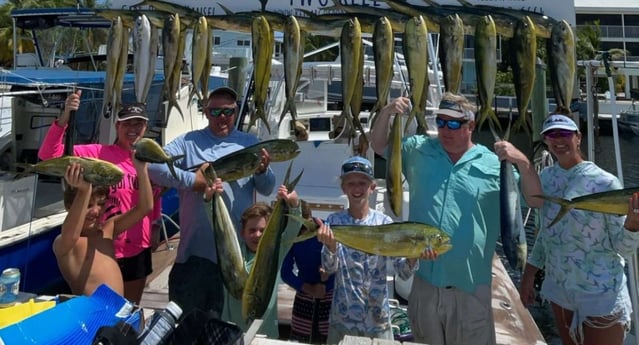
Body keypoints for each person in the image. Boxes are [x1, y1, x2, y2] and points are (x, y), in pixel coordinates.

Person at [369, 92, 543, 345]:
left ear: (470, 126)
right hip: (425, 284)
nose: (445, 130)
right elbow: (379, 145)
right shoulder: (418, 149)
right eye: (440, 122)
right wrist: (387, 112)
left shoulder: (493, 164)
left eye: (453, 124)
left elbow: (536, 200)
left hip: (470, 288)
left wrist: (523, 162)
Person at [147, 86, 276, 318]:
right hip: (193, 256)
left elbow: (267, 188)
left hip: (237, 257)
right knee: (185, 328)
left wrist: (263, 171)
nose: (222, 118)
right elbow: (153, 167)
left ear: (236, 112)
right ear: (206, 113)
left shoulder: (250, 144)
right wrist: (192, 180)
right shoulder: (188, 142)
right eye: (215, 112)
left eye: (228, 111)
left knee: (227, 328)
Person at [519, 114, 639, 345]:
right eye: (551, 134)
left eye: (564, 133)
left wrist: (633, 225)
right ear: (545, 140)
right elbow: (546, 234)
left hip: (599, 294)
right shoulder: (546, 178)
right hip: (559, 290)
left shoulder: (606, 182)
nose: (558, 139)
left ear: (578, 137)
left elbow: (623, 249)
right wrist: (528, 275)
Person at [39, 91, 162, 305]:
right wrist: (64, 117)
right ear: (117, 126)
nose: (133, 129)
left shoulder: (149, 159)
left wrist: (155, 224)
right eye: (127, 124)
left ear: (145, 128)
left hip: (136, 247)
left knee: (129, 309)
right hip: (103, 242)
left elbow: (152, 199)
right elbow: (50, 155)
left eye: (138, 124)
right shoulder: (97, 153)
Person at [316, 156, 418, 344]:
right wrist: (330, 247)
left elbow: (402, 273)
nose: (357, 189)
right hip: (342, 321)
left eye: (362, 183)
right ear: (343, 188)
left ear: (372, 187)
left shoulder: (384, 223)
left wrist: (413, 256)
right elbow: (329, 268)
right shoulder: (334, 221)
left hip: (377, 323)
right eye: (351, 183)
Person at [54, 154, 153, 296]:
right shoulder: (65, 243)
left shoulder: (108, 229)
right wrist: (84, 191)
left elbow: (145, 208)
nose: (95, 211)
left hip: (117, 310)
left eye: (100, 204)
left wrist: (142, 170)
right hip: (92, 314)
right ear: (69, 206)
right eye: (88, 205)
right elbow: (70, 233)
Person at [221, 185, 303, 338]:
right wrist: (209, 200)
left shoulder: (275, 254)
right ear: (242, 233)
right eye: (252, 230)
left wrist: (294, 204)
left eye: (262, 230)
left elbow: (294, 227)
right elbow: (219, 229)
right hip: (231, 333)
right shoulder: (234, 254)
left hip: (264, 335)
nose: (257, 235)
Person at [281, 201, 335, 344]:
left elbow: (340, 260)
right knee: (299, 340)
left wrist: (328, 275)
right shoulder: (291, 236)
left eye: (307, 226)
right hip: (304, 295)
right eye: (300, 228)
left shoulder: (327, 230)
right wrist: (308, 288)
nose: (304, 231)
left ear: (311, 218)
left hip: (330, 295)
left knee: (329, 339)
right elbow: (285, 272)